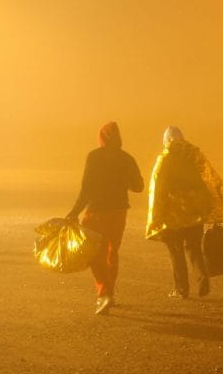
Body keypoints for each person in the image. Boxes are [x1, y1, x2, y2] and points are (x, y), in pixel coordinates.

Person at [66, 121, 144, 315]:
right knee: (111, 252)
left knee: (94, 254)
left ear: (101, 137)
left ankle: (104, 293)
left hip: (97, 212)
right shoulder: (127, 159)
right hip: (118, 213)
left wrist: (75, 211)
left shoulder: (94, 157)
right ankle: (110, 293)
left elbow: (86, 189)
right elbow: (138, 187)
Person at [146, 126, 223, 299]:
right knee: (194, 248)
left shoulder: (165, 158)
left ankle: (181, 289)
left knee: (176, 252)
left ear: (166, 140)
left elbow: (157, 187)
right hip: (195, 213)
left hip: (173, 216)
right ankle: (202, 278)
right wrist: (212, 208)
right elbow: (211, 179)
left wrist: (156, 216)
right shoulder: (195, 154)